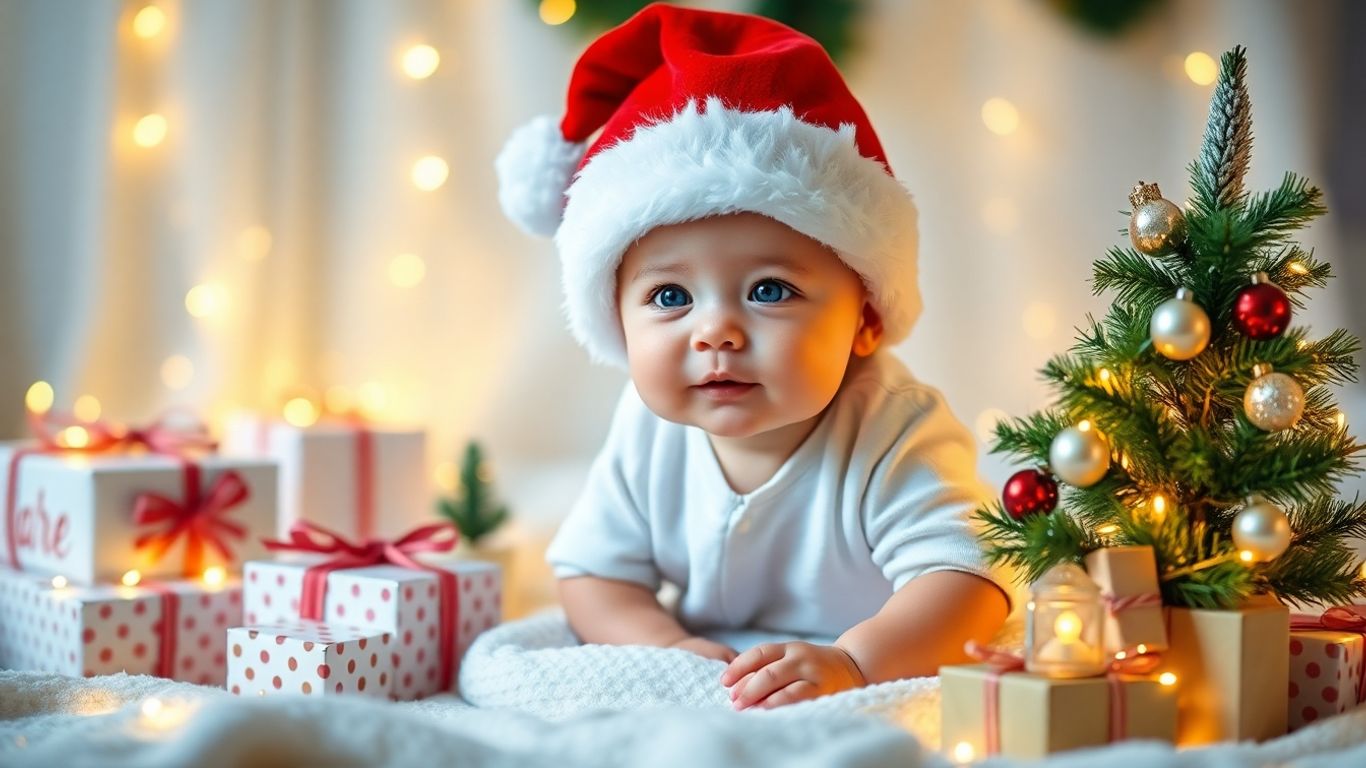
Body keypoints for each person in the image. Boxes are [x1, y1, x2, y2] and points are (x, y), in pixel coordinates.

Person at [496, 3, 1009, 710]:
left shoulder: (893, 429)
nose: (716, 332)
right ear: (615, 319)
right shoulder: (648, 432)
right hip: (728, 670)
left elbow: (969, 583)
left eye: (770, 289)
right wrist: (666, 647)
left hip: (867, 645)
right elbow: (593, 576)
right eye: (671, 296)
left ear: (864, 318)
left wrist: (855, 661)